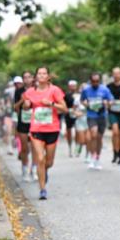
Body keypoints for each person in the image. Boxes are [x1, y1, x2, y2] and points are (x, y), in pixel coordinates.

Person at [20, 66, 67, 200]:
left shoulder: (55, 90)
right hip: (36, 129)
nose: (41, 76)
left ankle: (44, 170)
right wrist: (26, 105)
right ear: (36, 77)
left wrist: (51, 103)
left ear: (48, 76)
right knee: (40, 158)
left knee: (49, 162)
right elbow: (25, 106)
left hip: (52, 129)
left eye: (44, 73)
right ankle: (42, 189)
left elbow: (64, 108)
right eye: (39, 74)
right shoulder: (29, 92)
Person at [80, 72, 113, 170]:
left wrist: (107, 103)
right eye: (93, 81)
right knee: (93, 135)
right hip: (91, 115)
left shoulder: (104, 89)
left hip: (102, 115)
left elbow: (111, 100)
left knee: (99, 137)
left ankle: (97, 158)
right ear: (90, 81)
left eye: (97, 81)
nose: (95, 83)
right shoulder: (86, 90)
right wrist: (85, 104)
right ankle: (92, 156)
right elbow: (82, 100)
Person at [14, 72, 33, 181]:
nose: (27, 79)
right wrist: (22, 100)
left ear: (32, 78)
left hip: (35, 122)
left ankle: (34, 170)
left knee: (35, 147)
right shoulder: (19, 91)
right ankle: (25, 169)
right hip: (23, 122)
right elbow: (15, 108)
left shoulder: (37, 90)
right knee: (25, 148)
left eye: (29, 77)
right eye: (24, 77)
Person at [62, 79, 78, 156]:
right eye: (71, 86)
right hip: (69, 114)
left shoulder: (79, 94)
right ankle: (70, 147)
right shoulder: (66, 95)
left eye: (74, 86)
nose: (73, 87)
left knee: (78, 130)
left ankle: (77, 146)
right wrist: (66, 110)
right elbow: (63, 105)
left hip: (78, 114)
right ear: (69, 87)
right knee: (69, 131)